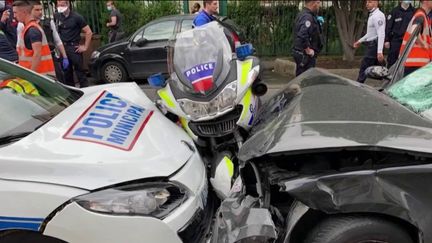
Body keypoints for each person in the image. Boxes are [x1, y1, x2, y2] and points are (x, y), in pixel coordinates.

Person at [17, 1, 69, 81]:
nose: (40, 12)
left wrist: (65, 56)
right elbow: (19, 45)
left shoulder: (48, 22)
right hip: (32, 63)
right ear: (30, 10)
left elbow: (57, 40)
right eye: (37, 10)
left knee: (60, 81)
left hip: (50, 58)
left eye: (41, 10)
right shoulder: (22, 25)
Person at [56, 0, 92, 88]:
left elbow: (89, 32)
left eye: (62, 5)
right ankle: (72, 93)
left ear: (67, 4)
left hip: (74, 48)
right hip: (63, 48)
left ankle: (85, 91)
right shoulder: (58, 17)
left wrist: (85, 47)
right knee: (66, 73)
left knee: (80, 73)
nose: (60, 7)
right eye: (58, 5)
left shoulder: (77, 17)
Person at [13, 0, 55, 76]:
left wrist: (31, 77)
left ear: (24, 12)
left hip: (40, 78)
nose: (14, 16)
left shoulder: (32, 30)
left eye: (15, 12)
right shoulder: (29, 28)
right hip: (40, 76)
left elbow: (37, 54)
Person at [353, 0, 386, 83]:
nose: (367, 4)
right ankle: (390, 79)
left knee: (365, 65)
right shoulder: (372, 15)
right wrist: (359, 41)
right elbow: (370, 33)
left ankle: (358, 84)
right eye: (367, 2)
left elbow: (381, 33)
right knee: (380, 67)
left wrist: (379, 51)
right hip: (372, 45)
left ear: (376, 3)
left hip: (374, 45)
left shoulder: (377, 16)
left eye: (370, 2)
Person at [400, 0, 432, 77]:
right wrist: (423, 44)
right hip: (415, 64)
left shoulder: (423, 15)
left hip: (415, 63)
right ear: (426, 1)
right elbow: (413, 30)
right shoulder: (420, 15)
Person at [292, 0, 323, 77]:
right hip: (305, 56)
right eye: (318, 3)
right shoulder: (307, 17)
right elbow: (302, 34)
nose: (319, 6)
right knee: (305, 80)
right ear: (314, 3)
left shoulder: (303, 14)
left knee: (302, 78)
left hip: (301, 53)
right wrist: (308, 49)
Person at [385, 0, 415, 67]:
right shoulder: (394, 11)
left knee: (406, 63)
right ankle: (390, 76)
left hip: (408, 42)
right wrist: (387, 40)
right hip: (396, 41)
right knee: (392, 61)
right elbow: (388, 26)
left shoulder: (414, 12)